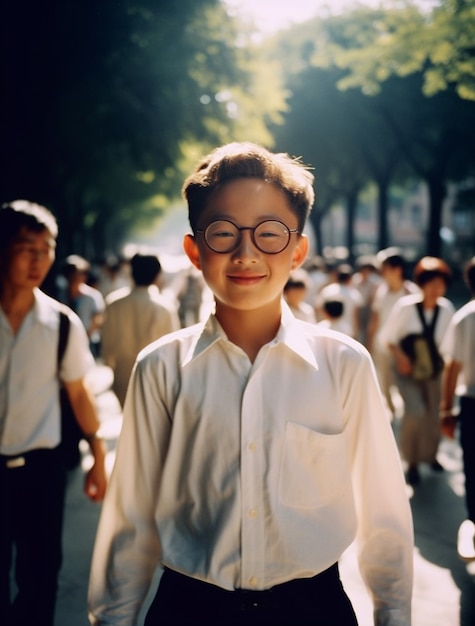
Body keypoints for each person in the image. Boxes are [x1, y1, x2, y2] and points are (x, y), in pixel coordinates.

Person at [88, 142, 413, 626]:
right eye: (222, 233)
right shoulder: (161, 367)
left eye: (269, 234)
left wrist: (394, 615)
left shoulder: (343, 364)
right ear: (194, 250)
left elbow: (383, 512)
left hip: (313, 609)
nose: (246, 253)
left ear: (299, 250)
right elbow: (131, 516)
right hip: (190, 608)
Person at [0, 200, 107, 626]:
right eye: (27, 247)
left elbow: (79, 394)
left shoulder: (62, 323)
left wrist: (98, 456)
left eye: (46, 249)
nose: (38, 259)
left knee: (40, 578)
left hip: (40, 473)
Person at [378, 256, 454, 486]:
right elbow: (387, 339)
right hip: (406, 368)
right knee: (415, 411)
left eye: (440, 283)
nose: (436, 288)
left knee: (433, 414)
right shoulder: (406, 307)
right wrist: (401, 358)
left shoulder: (446, 309)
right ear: (421, 284)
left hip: (432, 370)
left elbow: (448, 348)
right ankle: (410, 462)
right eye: (431, 283)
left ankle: (430, 456)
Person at [101, 252, 180, 407]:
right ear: (157, 275)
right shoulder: (164, 308)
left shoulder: (114, 304)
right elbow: (173, 351)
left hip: (122, 375)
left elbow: (107, 345)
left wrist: (111, 365)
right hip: (155, 378)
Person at [440, 257, 475, 561]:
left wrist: (446, 409)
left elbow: (453, 367)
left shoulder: (466, 316)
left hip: (471, 402)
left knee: (473, 466)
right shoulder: (466, 317)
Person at [368, 248, 420, 415]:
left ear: (397, 269)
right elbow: (375, 318)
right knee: (384, 383)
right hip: (381, 346)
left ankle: (407, 415)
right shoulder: (381, 291)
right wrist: (369, 344)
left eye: (385, 268)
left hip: (403, 348)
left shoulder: (411, 292)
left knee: (404, 383)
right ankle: (391, 411)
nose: (382, 273)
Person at [61, 254, 106, 358]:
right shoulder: (60, 294)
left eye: (78, 274)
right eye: (71, 274)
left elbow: (98, 319)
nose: (75, 278)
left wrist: (85, 336)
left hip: (87, 340)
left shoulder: (92, 296)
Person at [317, 264, 363, 338]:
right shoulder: (354, 294)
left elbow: (318, 308)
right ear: (349, 279)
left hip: (327, 330)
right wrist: (356, 333)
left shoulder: (328, 290)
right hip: (347, 331)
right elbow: (356, 316)